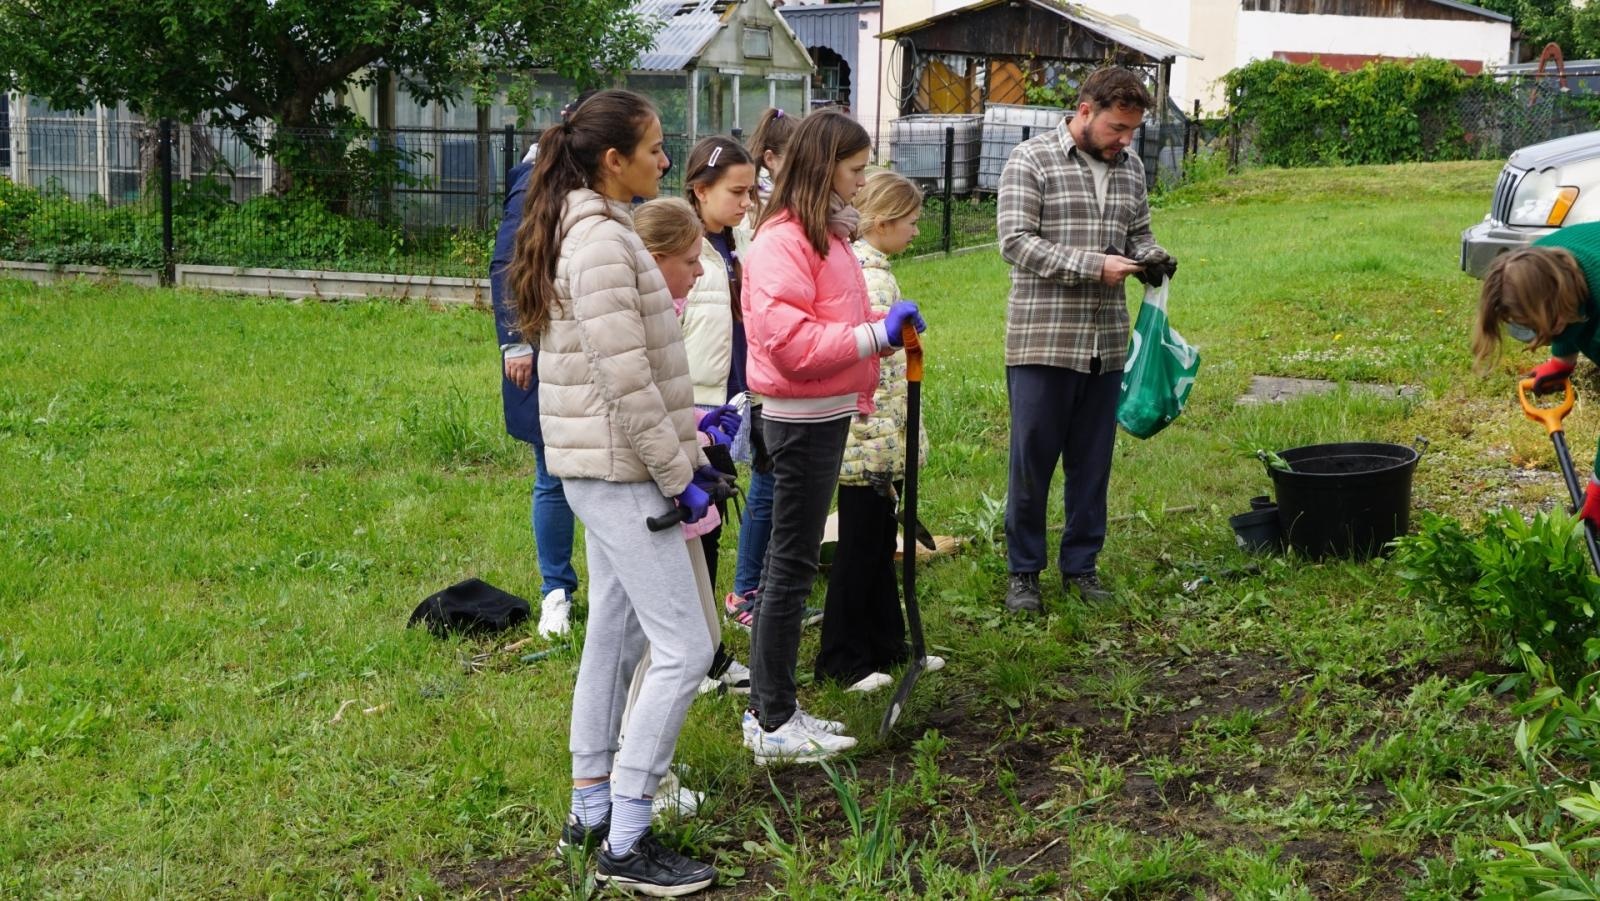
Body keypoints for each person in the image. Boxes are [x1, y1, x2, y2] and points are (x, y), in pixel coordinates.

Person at [507, 89, 717, 895]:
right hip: (622, 472)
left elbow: (640, 373)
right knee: (687, 648)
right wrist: (681, 476)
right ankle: (627, 838)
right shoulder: (598, 240)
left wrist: (693, 445)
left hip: (611, 466)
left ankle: (590, 807)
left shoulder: (598, 225)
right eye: (655, 148)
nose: (666, 160)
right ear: (612, 160)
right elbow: (625, 380)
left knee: (616, 637)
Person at [740, 110, 926, 764]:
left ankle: (776, 707)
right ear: (823, 168)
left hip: (824, 411)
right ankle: (771, 718)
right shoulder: (783, 241)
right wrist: (876, 334)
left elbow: (833, 315)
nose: (862, 181)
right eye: (854, 169)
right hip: (797, 420)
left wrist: (882, 323)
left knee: (790, 567)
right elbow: (789, 343)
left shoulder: (825, 235)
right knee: (788, 569)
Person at [996, 66, 1177, 615]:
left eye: (1132, 131)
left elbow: (1138, 234)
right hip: (1043, 341)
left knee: (1093, 465)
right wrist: (1094, 266)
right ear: (1084, 111)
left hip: (1107, 344)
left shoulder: (1131, 169)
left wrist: (1151, 257)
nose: (1125, 140)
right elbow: (1015, 242)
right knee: (1032, 465)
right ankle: (1024, 573)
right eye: (1117, 128)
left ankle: (1081, 567)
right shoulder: (1031, 160)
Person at [814, 170, 946, 693]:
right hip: (867, 437)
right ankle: (841, 659)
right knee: (859, 548)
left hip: (880, 434)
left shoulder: (873, 269)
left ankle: (887, 643)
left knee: (877, 541)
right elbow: (868, 365)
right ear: (885, 221)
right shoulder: (867, 276)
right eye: (911, 221)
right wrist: (877, 439)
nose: (916, 231)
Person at [491, 143, 579, 639]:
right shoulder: (535, 180)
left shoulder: (610, 183)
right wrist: (515, 343)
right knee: (552, 473)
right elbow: (508, 262)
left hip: (593, 348)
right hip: (546, 347)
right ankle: (556, 591)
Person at [725, 109, 801, 631]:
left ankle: (762, 585)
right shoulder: (755, 215)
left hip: (768, 362)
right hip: (757, 365)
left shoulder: (779, 206)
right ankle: (746, 591)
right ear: (771, 158)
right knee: (766, 479)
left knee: (772, 479)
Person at [1474, 223, 1600, 527]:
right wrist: (1562, 360)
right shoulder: (1543, 261)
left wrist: (1598, 488)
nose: (1536, 335)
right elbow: (1575, 305)